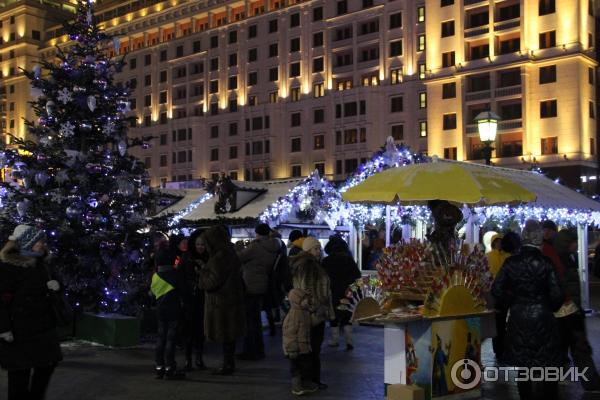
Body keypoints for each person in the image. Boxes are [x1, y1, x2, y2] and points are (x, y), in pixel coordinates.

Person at [492, 220, 564, 400]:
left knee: (523, 365)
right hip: (543, 318)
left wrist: (514, 300)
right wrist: (547, 305)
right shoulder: (546, 263)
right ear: (538, 238)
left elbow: (496, 290)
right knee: (547, 364)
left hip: (518, 318)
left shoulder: (510, 263)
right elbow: (557, 295)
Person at [0, 225, 62, 400]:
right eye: (39, 241)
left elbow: (56, 284)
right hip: (18, 330)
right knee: (19, 375)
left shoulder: (43, 264)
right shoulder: (8, 267)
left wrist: (56, 286)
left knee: (47, 366)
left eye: (43, 241)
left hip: (43, 328)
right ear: (26, 242)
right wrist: (3, 328)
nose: (43, 244)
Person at [554, 228, 600, 391]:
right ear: (568, 243)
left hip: (568, 310)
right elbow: (564, 287)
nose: (576, 245)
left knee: (566, 347)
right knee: (579, 346)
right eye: (574, 242)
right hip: (568, 311)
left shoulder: (566, 258)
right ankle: (591, 382)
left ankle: (557, 378)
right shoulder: (561, 261)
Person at [198, 226, 246, 375]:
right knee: (230, 334)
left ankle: (227, 365)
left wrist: (203, 272)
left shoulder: (219, 258)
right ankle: (229, 363)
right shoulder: (230, 253)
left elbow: (211, 282)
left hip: (221, 303)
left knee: (225, 332)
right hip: (232, 300)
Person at [290, 236, 334, 390]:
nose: (319, 251)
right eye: (316, 248)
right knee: (310, 348)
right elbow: (305, 291)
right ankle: (309, 380)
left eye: (319, 248)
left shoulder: (312, 264)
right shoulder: (308, 266)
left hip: (314, 314)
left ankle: (312, 379)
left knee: (312, 348)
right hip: (311, 315)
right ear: (308, 250)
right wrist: (316, 306)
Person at [237, 223, 280, 360]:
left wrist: (238, 247)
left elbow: (239, 257)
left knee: (250, 320)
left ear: (257, 233)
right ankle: (258, 349)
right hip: (263, 284)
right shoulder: (274, 246)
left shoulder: (256, 246)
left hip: (250, 285)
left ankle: (251, 351)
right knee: (255, 320)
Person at [151, 243, 185, 380]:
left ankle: (159, 368)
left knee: (160, 339)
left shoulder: (155, 277)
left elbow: (153, 293)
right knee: (171, 340)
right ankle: (170, 369)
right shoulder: (176, 275)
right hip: (174, 311)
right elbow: (183, 293)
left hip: (160, 311)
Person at [322, 235, 361, 350]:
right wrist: (353, 290)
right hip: (347, 292)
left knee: (333, 316)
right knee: (347, 315)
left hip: (332, 292)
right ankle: (349, 341)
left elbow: (323, 278)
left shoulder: (326, 261)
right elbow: (357, 277)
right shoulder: (349, 260)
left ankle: (335, 340)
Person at [179, 229, 208, 371]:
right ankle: (188, 359)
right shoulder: (186, 257)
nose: (200, 247)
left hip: (203, 299)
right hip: (189, 299)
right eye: (198, 244)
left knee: (200, 330)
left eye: (203, 244)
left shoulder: (208, 258)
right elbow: (182, 278)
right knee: (188, 330)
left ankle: (199, 357)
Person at [282, 288, 318, 396]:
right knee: (296, 368)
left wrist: (318, 317)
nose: (308, 301)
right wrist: (292, 349)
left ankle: (306, 383)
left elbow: (310, 323)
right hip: (295, 349)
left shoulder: (304, 312)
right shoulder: (293, 315)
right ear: (297, 300)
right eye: (305, 299)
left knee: (306, 366)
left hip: (304, 347)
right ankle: (296, 386)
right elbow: (289, 334)